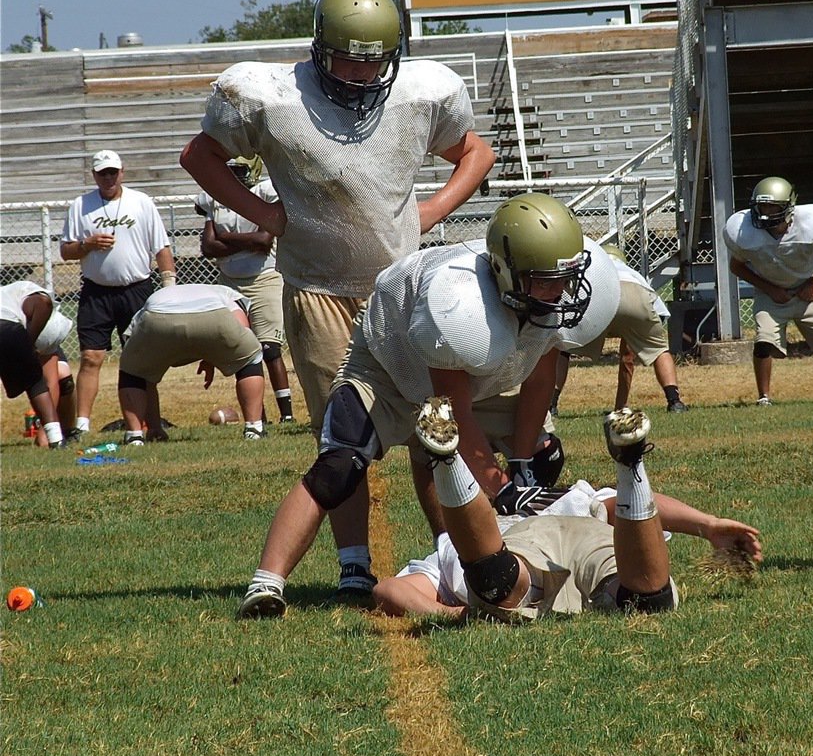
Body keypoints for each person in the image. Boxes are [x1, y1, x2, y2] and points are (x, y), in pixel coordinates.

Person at [180, 0, 494, 597]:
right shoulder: (268, 95)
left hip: (403, 292)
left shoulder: (422, 92)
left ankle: (451, 552)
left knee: (435, 430)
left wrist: (430, 211)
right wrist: (264, 215)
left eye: (371, 59)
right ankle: (354, 563)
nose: (357, 71)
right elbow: (200, 156)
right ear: (320, 47)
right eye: (346, 56)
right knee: (341, 441)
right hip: (318, 287)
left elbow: (475, 154)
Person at [236, 193, 620, 619]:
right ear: (507, 275)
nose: (561, 290)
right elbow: (452, 412)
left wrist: (522, 462)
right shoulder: (460, 303)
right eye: (546, 279)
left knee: (544, 457)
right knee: (338, 468)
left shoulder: (540, 297)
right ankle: (266, 582)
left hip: (476, 377)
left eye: (565, 276)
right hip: (387, 370)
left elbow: (538, 380)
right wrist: (501, 486)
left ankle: (464, 558)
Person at [375, 400, 761, 621]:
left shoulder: (460, 540)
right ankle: (631, 463)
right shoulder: (570, 495)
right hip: (574, 533)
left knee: (500, 583)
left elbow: (390, 591)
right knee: (647, 598)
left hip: (526, 542)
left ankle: (446, 461)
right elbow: (616, 507)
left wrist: (456, 615)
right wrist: (706, 525)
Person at [60, 149, 176, 439]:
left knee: (142, 361)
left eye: (113, 172)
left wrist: (169, 286)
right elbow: (65, 250)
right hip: (96, 292)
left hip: (137, 289)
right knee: (90, 357)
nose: (108, 177)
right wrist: (87, 245)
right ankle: (81, 426)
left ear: (122, 172)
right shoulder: (81, 205)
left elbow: (161, 247)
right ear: (94, 175)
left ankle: (154, 426)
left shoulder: (141, 202)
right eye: (102, 173)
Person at [722, 176, 813, 405]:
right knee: (763, 344)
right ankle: (764, 397)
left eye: (773, 206)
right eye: (762, 206)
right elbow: (736, 266)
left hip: (806, 290)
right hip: (771, 295)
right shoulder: (745, 232)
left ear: (789, 207)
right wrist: (769, 289)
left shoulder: (810, 225)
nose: (766, 212)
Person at [194, 154, 295, 423]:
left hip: (264, 278)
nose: (234, 176)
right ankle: (257, 415)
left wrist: (225, 238)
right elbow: (207, 247)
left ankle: (286, 415)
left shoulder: (265, 192)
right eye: (231, 170)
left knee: (270, 348)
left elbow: (263, 240)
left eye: (239, 170)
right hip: (230, 282)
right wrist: (243, 242)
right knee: (244, 351)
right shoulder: (214, 198)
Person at [116, 283, 265, 445]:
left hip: (159, 316)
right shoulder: (230, 295)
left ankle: (135, 435)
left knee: (133, 372)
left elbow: (132, 342)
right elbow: (241, 330)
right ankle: (254, 429)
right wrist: (215, 354)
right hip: (213, 316)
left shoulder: (159, 297)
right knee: (251, 358)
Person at [553, 243, 687, 414]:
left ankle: (551, 405)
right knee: (660, 350)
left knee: (564, 349)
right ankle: (674, 402)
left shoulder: (592, 269)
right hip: (635, 294)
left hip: (597, 293)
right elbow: (628, 357)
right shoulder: (635, 275)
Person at [1, 280, 75, 449]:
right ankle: (55, 437)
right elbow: (43, 303)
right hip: (7, 327)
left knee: (38, 382)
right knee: (36, 384)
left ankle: (51, 436)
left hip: (8, 328)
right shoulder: (25, 290)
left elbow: (52, 381)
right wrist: (30, 340)